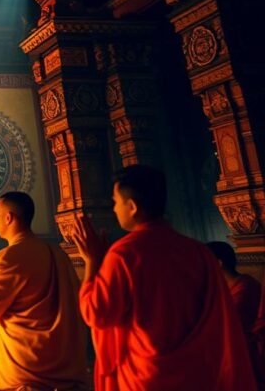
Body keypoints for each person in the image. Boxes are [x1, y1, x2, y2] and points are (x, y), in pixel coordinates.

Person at [75, 166, 255, 390]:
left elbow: (97, 313)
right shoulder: (197, 252)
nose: (114, 209)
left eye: (115, 202)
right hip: (198, 374)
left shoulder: (125, 254)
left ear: (132, 207)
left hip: (147, 376)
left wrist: (92, 261)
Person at [0, 192, 87, 390]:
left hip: (26, 368)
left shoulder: (9, 257)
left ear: (8, 218)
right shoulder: (58, 253)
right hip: (63, 365)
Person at [208, 240, 263, 375]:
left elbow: (226, 326)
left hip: (248, 356)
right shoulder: (222, 288)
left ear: (219, 264)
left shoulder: (244, 288)